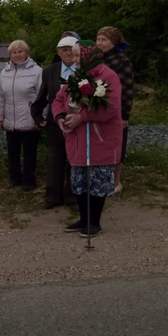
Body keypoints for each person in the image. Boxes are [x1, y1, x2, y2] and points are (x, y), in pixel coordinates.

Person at [52, 49, 123, 238]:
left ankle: (94, 222)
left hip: (99, 138)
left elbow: (112, 108)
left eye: (77, 56)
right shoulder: (75, 76)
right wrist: (60, 117)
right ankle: (83, 219)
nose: (73, 60)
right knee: (80, 181)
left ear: (89, 57)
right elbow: (59, 100)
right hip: (77, 139)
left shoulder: (108, 76)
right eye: (73, 56)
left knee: (97, 181)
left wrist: (81, 118)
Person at [31, 36, 79, 209]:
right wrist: (37, 117)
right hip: (55, 122)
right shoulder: (50, 70)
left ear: (77, 51)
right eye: (64, 50)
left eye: (71, 49)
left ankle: (73, 196)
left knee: (75, 161)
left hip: (78, 122)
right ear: (58, 52)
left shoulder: (84, 70)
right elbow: (43, 96)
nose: (67, 53)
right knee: (55, 161)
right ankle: (53, 197)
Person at [0, 40, 43, 191]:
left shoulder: (37, 71)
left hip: (30, 118)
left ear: (27, 53)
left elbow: (42, 96)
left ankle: (29, 180)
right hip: (10, 119)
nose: (17, 54)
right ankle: (15, 178)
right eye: (14, 52)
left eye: (20, 51)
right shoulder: (5, 72)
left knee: (29, 153)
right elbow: (1, 96)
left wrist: (40, 117)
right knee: (13, 152)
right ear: (10, 55)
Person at [96, 26, 134, 192]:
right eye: (98, 39)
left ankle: (116, 181)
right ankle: (101, 177)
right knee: (101, 144)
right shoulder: (96, 59)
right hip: (98, 109)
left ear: (113, 41)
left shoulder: (121, 60)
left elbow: (127, 88)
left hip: (116, 109)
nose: (100, 43)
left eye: (104, 40)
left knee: (117, 145)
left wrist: (125, 114)